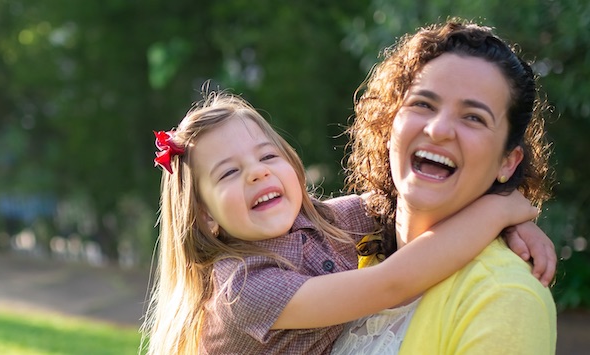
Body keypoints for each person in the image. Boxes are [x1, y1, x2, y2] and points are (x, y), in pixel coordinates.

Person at [140, 90, 553, 355]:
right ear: (206, 216)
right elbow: (390, 283)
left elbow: (430, 201)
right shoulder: (243, 287)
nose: (256, 173)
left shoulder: (338, 219)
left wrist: (509, 221)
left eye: (268, 156)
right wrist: (498, 211)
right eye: (228, 173)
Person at [334, 19, 557, 354]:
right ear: (390, 122)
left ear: (507, 162)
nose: (438, 130)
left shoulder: (506, 296)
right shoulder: (340, 249)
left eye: (473, 117)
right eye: (423, 104)